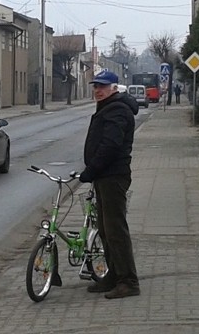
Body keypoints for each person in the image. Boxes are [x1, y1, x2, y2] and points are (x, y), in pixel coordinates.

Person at [79, 70, 140, 299]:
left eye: (102, 86)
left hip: (113, 176)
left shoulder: (117, 110)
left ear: (114, 88)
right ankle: (113, 276)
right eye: (95, 86)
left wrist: (91, 170)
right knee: (105, 230)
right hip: (104, 177)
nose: (97, 90)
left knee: (116, 231)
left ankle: (128, 281)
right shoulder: (108, 107)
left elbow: (110, 146)